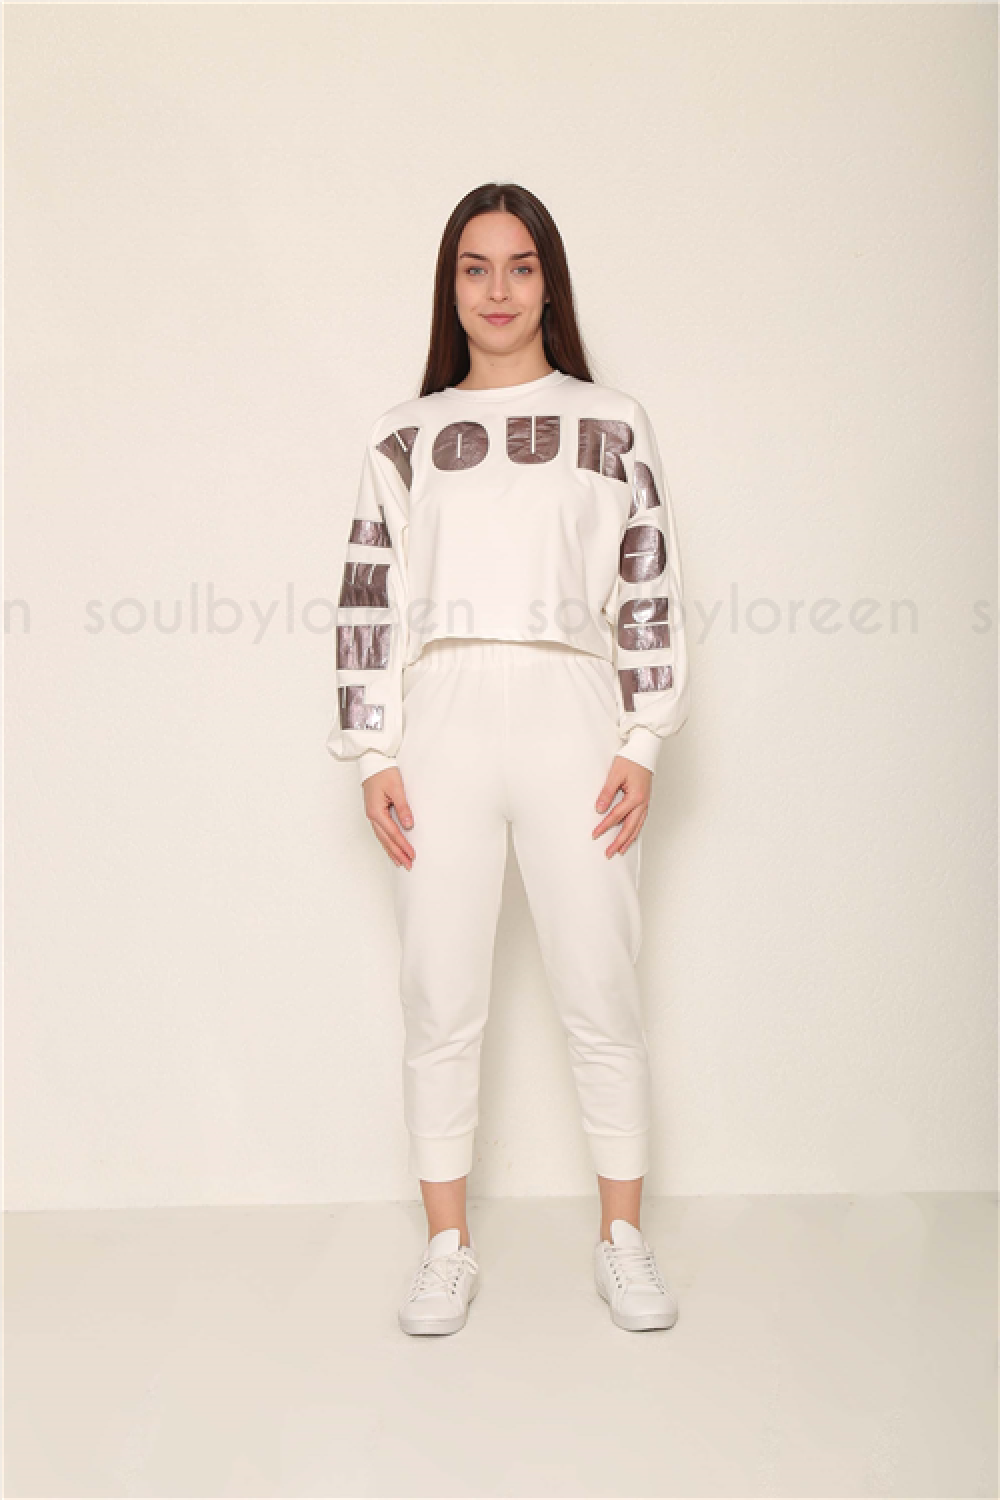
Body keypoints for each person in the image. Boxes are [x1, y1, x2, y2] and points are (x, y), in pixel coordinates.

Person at [326, 182, 691, 1335]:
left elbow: (648, 574)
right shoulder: (402, 434)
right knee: (439, 993)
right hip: (439, 719)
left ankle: (622, 1239)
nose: (497, 290)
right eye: (474, 267)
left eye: (520, 266)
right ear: (450, 286)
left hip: (573, 709)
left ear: (548, 281)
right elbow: (368, 592)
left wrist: (641, 735)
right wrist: (372, 751)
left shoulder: (611, 420)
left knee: (601, 987)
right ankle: (447, 1246)